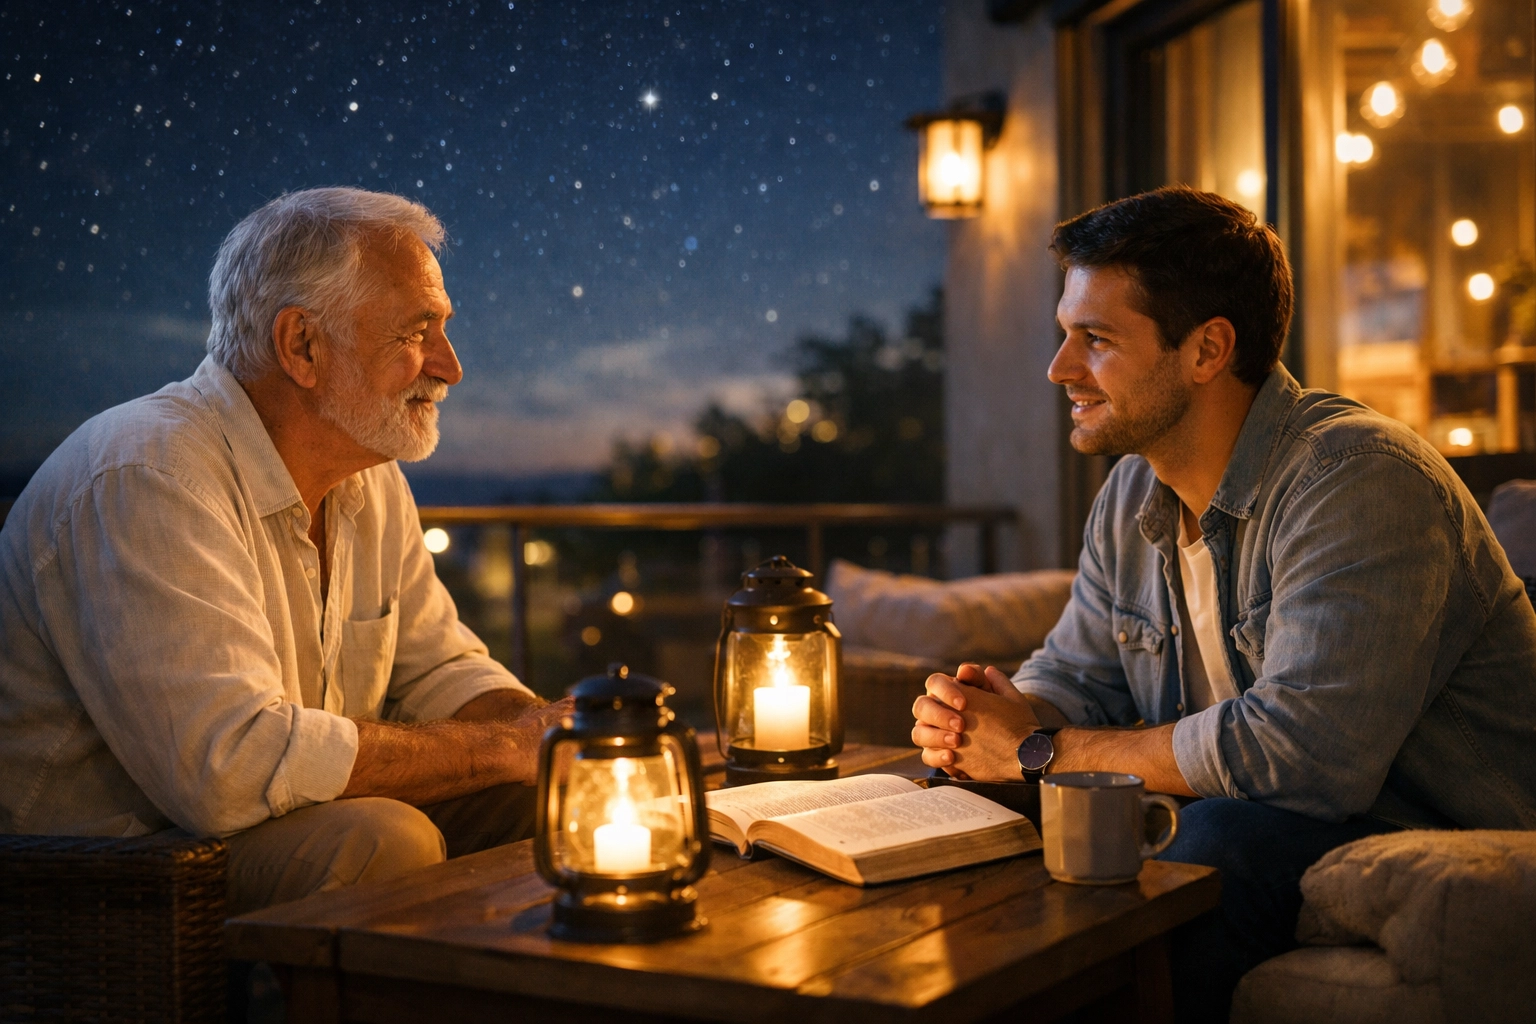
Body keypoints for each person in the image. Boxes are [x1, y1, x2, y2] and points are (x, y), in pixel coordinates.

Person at [910, 186, 1536, 1021]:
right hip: (1270, 811)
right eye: (1066, 334)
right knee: (961, 804)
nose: (1059, 369)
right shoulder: (1135, 491)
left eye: (1094, 340)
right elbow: (1075, 672)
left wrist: (1040, 751)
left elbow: (1303, 758)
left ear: (1206, 350)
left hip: (1446, 829)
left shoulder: (1359, 479)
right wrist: (989, 716)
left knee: (1211, 847)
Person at [0, 187, 573, 914]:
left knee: (549, 799)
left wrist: (550, 744)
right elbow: (227, 766)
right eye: (415, 332)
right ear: (302, 345)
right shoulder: (150, 473)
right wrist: (503, 747)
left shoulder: (370, 478)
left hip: (253, 813)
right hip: (111, 864)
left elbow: (439, 666)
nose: (450, 366)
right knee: (383, 842)